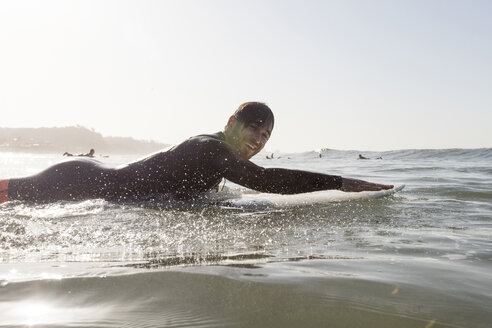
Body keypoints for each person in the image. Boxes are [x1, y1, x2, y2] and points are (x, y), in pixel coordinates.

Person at [0, 102, 393, 203]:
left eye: (266, 134)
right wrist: (342, 183)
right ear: (229, 123)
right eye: (253, 128)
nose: (258, 140)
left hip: (91, 177)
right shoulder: (209, 149)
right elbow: (264, 180)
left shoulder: (220, 157)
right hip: (79, 181)